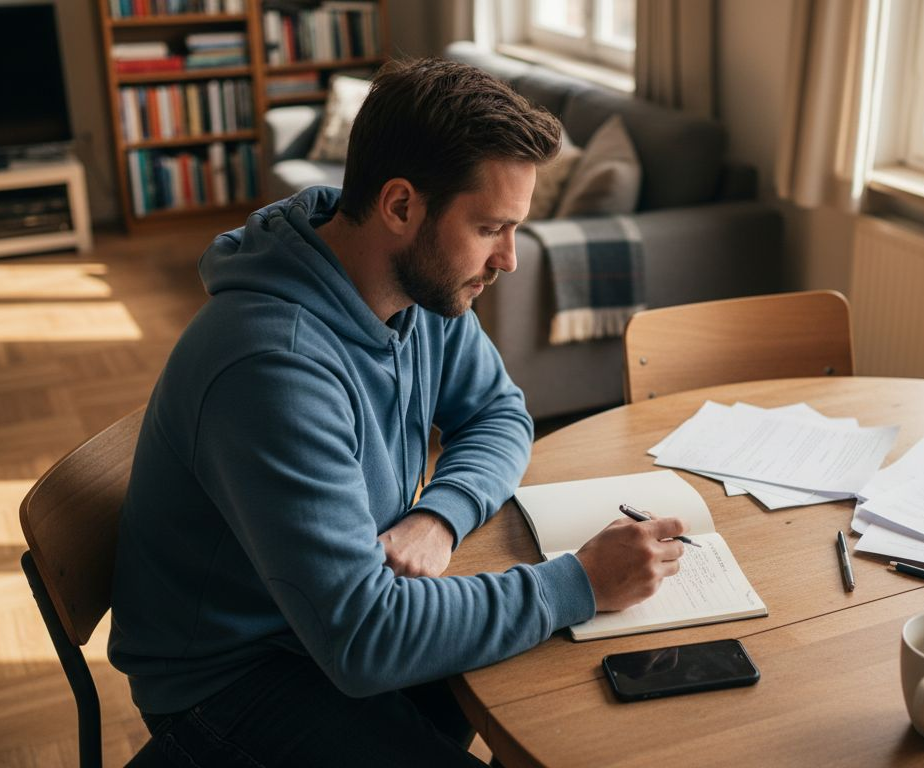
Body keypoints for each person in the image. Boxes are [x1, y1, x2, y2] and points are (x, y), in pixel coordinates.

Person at [108, 58, 690, 766]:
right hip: (235, 686)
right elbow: (367, 639)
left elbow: (501, 413)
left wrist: (438, 516)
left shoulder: (418, 286)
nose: (508, 259)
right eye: (490, 228)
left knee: (579, 707)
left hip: (334, 626)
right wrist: (580, 582)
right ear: (401, 206)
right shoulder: (272, 366)